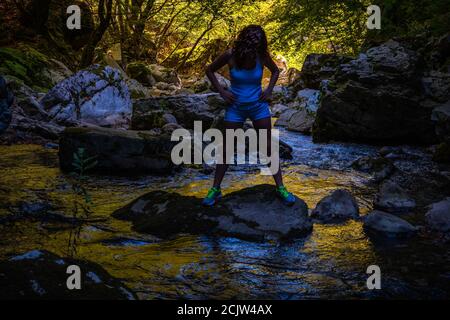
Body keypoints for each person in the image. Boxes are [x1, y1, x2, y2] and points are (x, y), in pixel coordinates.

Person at [202, 25, 295, 207]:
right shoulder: (230, 55)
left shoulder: (261, 56)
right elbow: (209, 70)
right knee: (227, 148)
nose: (256, 42)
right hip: (235, 107)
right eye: (254, 38)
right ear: (245, 38)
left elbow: (276, 71)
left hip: (258, 107)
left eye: (259, 39)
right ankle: (215, 189)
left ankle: (281, 187)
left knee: (267, 146)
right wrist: (222, 91)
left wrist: (268, 90)